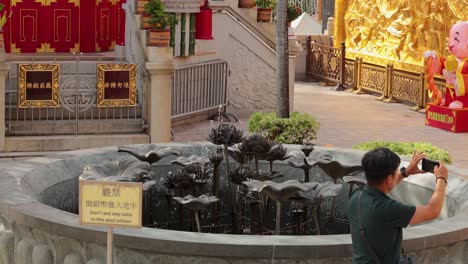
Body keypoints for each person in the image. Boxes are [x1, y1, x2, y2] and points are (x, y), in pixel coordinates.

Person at [348, 147, 448, 263]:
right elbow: (433, 211)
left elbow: (383, 187)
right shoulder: (389, 209)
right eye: (396, 171)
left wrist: (406, 172)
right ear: (389, 178)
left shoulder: (356, 196)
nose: (397, 172)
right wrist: (441, 178)